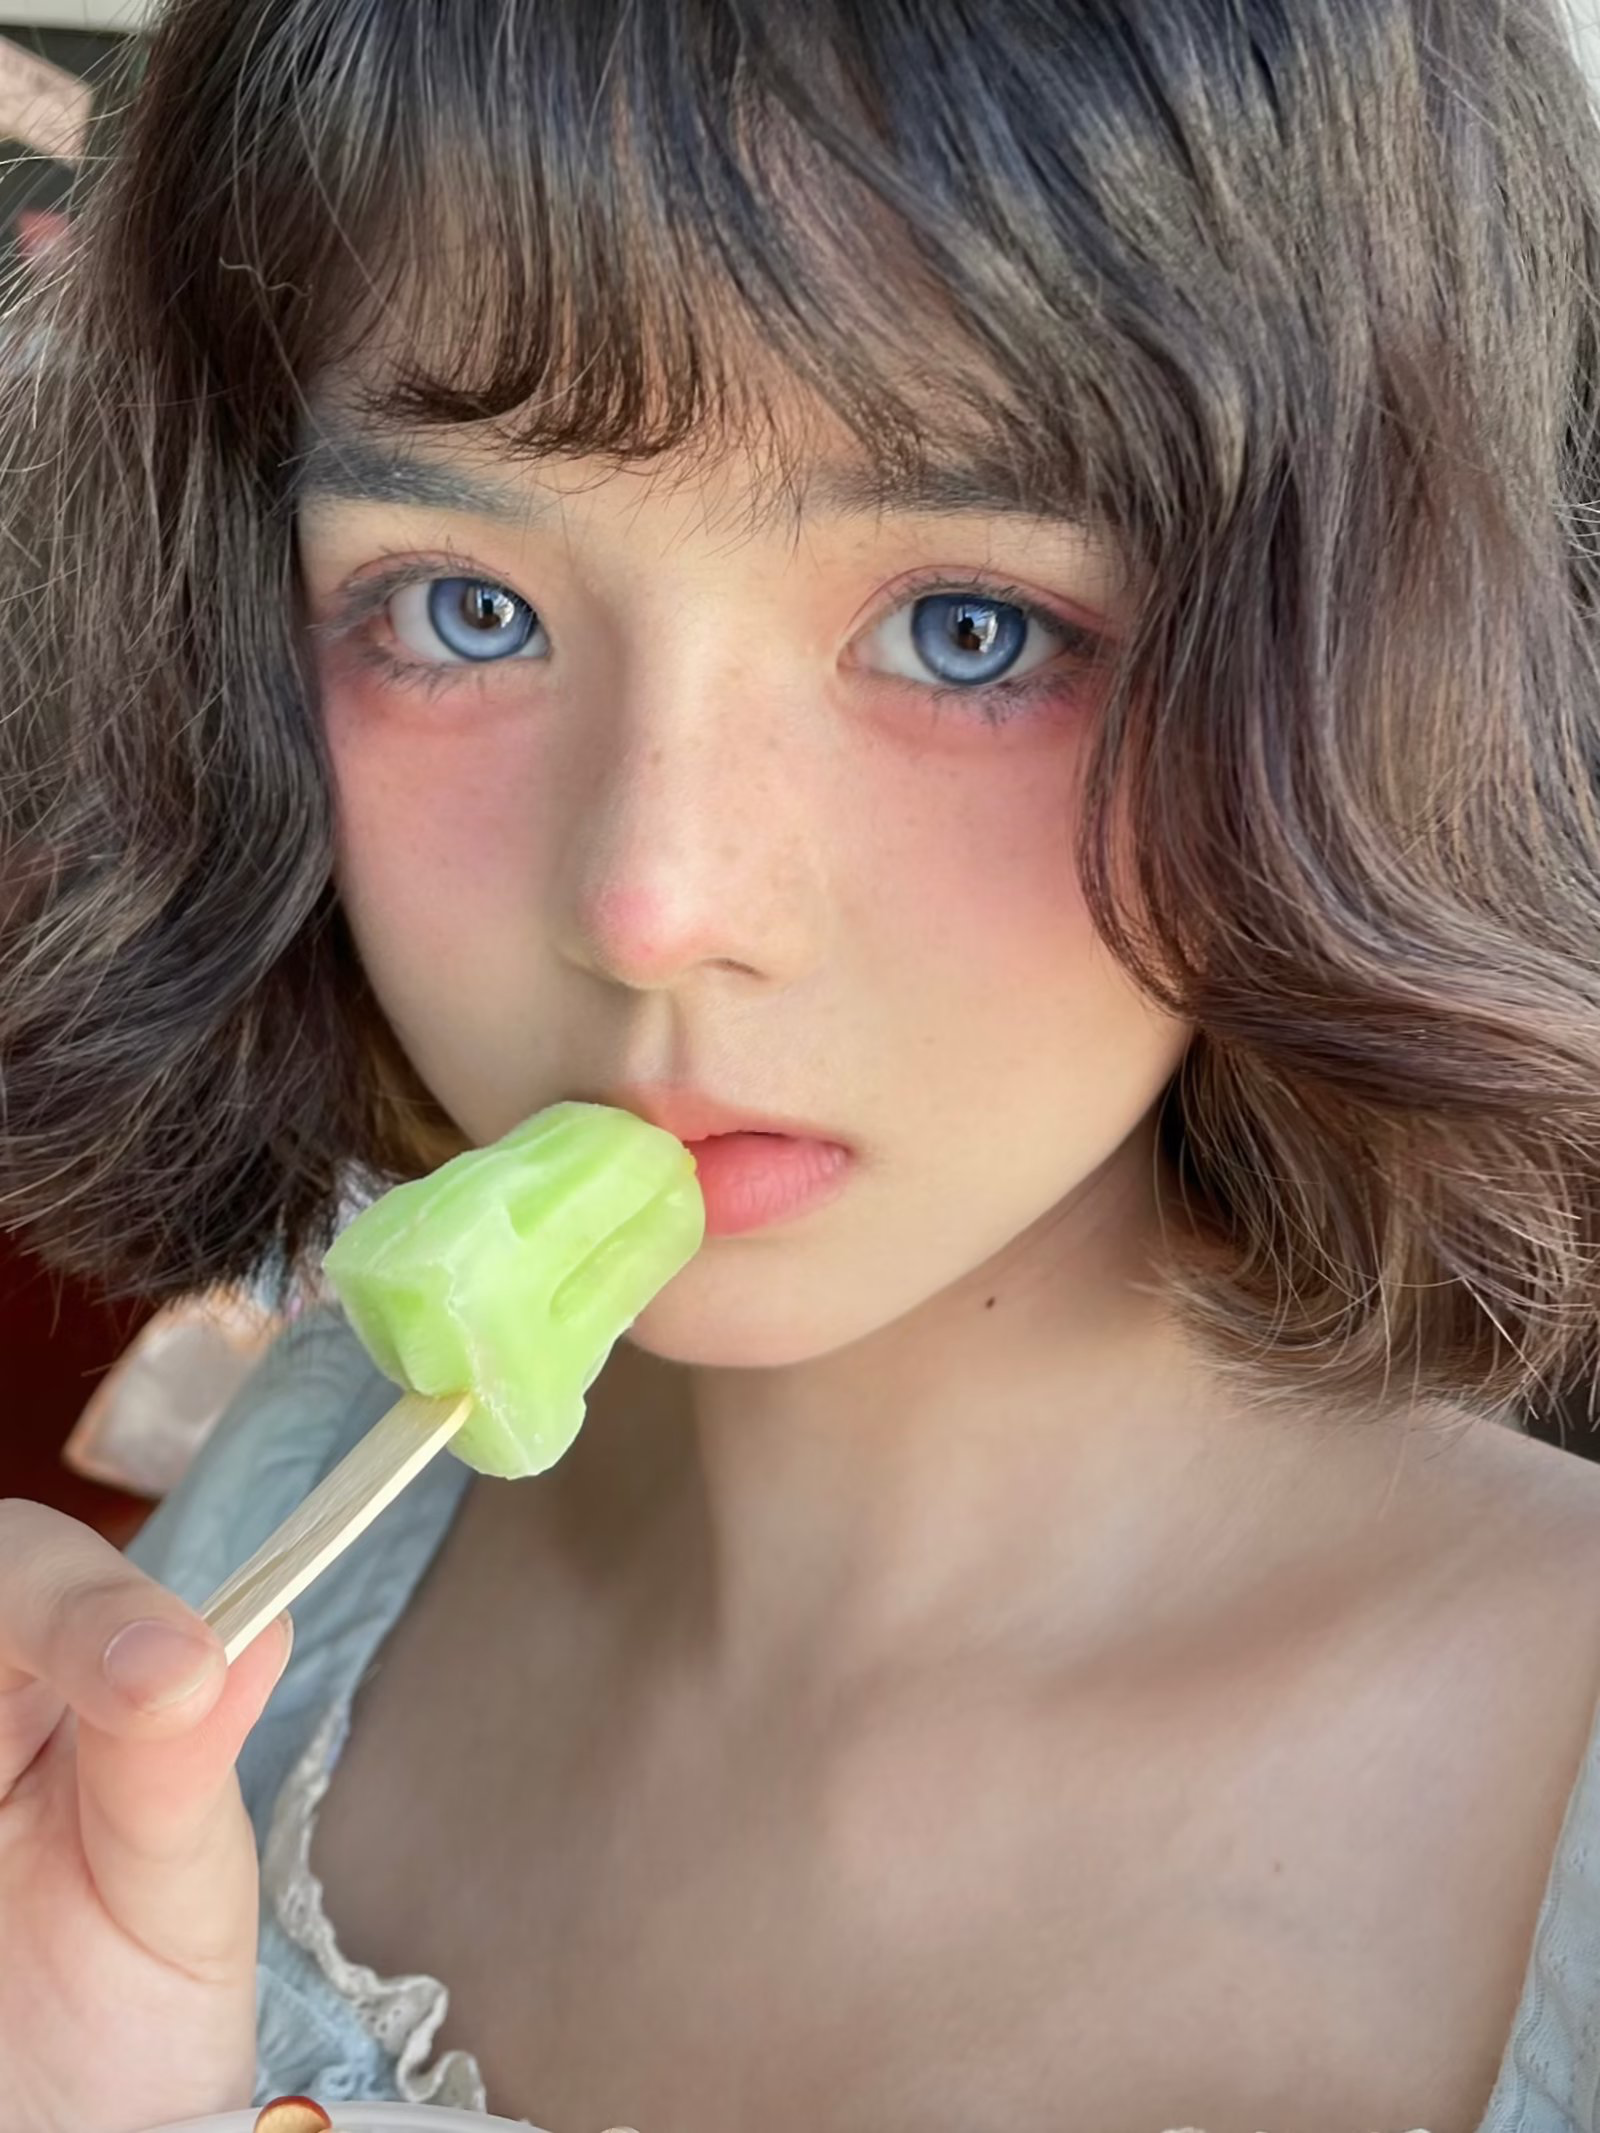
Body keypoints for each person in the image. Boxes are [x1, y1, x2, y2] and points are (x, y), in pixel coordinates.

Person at [3, 0, 1600, 2126]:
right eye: (465, 608)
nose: (652, 903)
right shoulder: (302, 1507)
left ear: (1364, 670)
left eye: (968, 628)